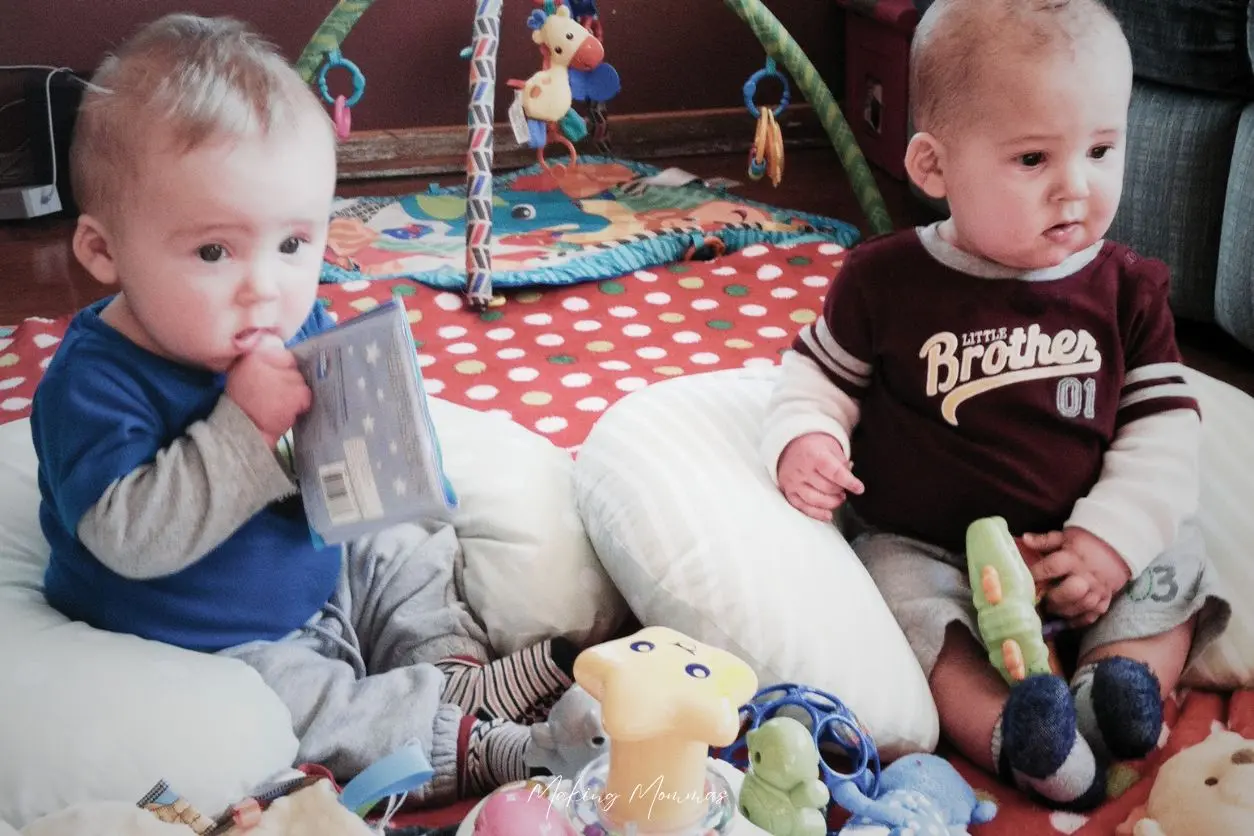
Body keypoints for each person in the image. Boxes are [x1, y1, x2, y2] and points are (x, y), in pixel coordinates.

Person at [32, 13, 578, 804]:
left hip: (313, 561)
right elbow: (129, 539)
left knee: (405, 540)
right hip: (203, 634)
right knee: (298, 709)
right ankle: (478, 744)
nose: (267, 286)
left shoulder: (287, 320)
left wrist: (386, 444)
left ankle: (452, 667)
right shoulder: (93, 382)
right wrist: (245, 428)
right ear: (103, 252)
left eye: (293, 244)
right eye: (214, 252)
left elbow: (342, 453)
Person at [761, 0, 1230, 810]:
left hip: (1080, 540)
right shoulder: (885, 283)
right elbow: (814, 378)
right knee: (900, 601)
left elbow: (1160, 437)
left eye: (1101, 150)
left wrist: (1110, 542)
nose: (1076, 187)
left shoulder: (1126, 291)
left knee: (1175, 562)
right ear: (934, 168)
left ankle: (1115, 691)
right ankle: (1018, 738)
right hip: (934, 547)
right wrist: (807, 438)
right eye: (1032, 160)